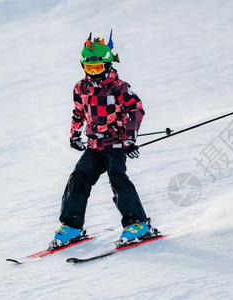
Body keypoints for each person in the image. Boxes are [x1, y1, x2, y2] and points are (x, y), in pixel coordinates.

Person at [49, 32, 151, 249]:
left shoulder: (119, 87)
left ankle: (138, 224)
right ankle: (72, 226)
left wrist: (130, 138)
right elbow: (78, 112)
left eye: (98, 68)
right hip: (94, 146)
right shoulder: (81, 88)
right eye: (89, 68)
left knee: (118, 179)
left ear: (107, 64)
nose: (94, 73)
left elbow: (136, 109)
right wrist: (75, 134)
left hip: (115, 144)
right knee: (78, 177)